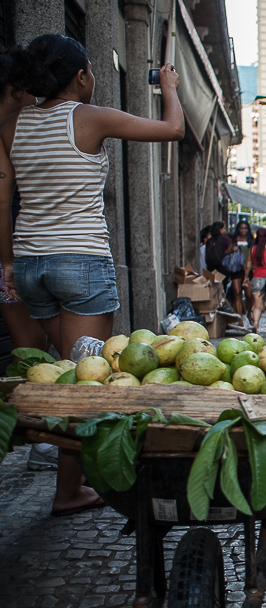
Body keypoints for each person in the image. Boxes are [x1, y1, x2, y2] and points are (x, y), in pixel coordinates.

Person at [0, 35, 184, 516]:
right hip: (79, 262)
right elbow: (173, 129)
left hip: (32, 264)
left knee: (62, 369)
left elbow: (4, 196)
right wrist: (168, 86)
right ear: (81, 75)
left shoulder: (13, 123)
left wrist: (8, 263)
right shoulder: (89, 116)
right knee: (83, 383)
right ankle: (69, 491)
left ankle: (72, 478)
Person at [0, 47, 57, 471]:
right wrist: (7, 262)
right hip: (23, 253)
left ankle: (36, 438)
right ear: (15, 88)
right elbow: (4, 201)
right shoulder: (13, 126)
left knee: (28, 350)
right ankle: (42, 441)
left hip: (17, 254)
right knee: (39, 351)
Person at [231, 218, 253, 318]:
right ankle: (239, 318)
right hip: (236, 269)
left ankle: (249, 312)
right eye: (241, 228)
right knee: (237, 293)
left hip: (249, 270)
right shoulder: (234, 239)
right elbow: (227, 252)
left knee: (248, 294)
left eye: (245, 228)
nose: (243, 230)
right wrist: (232, 250)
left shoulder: (251, 241)